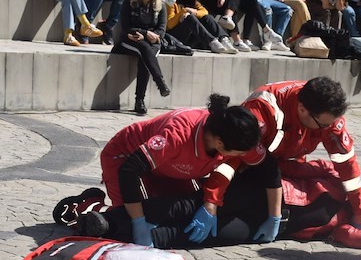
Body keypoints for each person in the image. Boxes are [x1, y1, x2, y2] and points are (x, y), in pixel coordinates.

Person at [73, 166, 361, 253]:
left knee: (197, 236)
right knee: (188, 207)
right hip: (261, 199)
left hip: (265, 228)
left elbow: (353, 237)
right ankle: (110, 217)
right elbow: (290, 166)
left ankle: (108, 233)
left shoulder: (341, 226)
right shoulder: (334, 177)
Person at [96, 94, 271, 246]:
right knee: (125, 218)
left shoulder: (229, 135)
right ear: (220, 144)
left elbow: (269, 170)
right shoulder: (178, 135)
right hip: (125, 157)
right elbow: (129, 170)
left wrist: (274, 217)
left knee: (180, 211)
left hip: (169, 168)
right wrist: (138, 222)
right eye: (239, 153)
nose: (243, 157)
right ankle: (93, 210)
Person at [240, 77, 361, 228]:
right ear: (302, 110)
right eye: (323, 125)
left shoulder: (326, 114)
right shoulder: (262, 108)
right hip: (248, 164)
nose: (327, 129)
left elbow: (347, 164)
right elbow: (237, 152)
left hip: (285, 164)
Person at [111, 0, 170, 115]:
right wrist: (144, 33)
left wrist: (153, 36)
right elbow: (125, 28)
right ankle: (159, 82)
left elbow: (161, 30)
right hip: (129, 41)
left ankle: (140, 101)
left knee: (145, 55)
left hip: (152, 43)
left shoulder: (160, 6)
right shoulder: (129, 2)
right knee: (144, 48)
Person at [167, 0, 236, 54]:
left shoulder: (193, 2)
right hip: (175, 37)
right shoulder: (171, 1)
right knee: (190, 18)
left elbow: (205, 12)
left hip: (190, 39)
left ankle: (224, 39)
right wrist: (184, 11)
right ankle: (212, 42)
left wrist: (193, 11)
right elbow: (169, 24)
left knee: (207, 17)